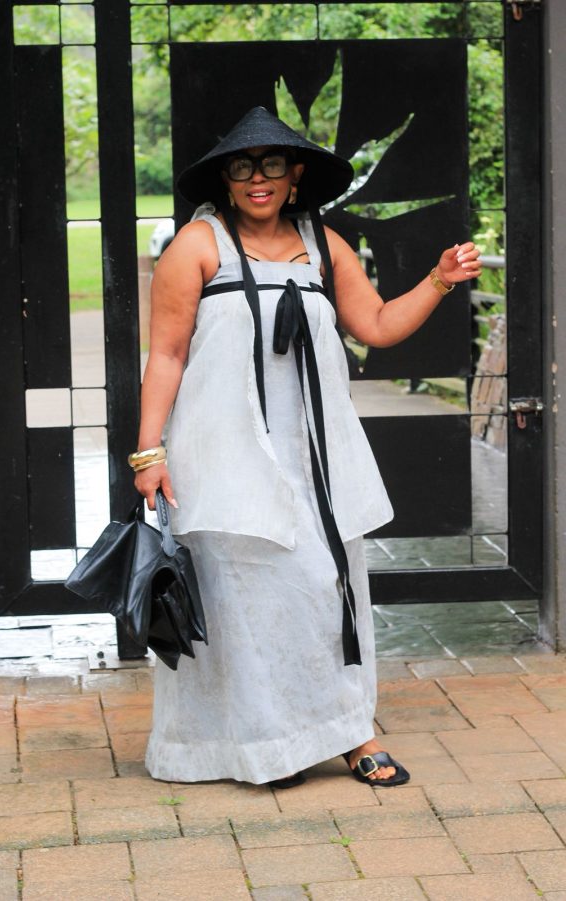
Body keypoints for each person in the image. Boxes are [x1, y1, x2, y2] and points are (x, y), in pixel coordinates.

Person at [131, 107, 481, 789]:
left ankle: (350, 731)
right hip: (221, 455)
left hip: (312, 459)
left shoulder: (323, 244)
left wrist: (439, 279)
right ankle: (263, 746)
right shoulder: (197, 246)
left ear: (294, 175)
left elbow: (377, 325)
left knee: (325, 587)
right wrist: (149, 453)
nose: (257, 178)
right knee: (239, 601)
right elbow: (166, 355)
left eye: (271, 164)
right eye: (242, 166)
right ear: (226, 179)